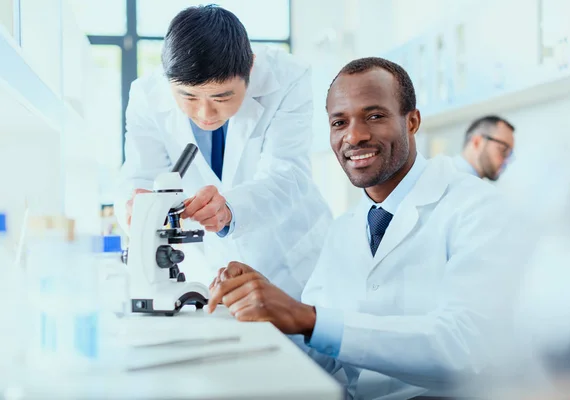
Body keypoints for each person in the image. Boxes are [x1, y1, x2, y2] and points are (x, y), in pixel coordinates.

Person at [207, 58, 533, 399]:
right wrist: (257, 309)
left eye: (374, 116)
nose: (355, 136)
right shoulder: (343, 229)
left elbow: (467, 347)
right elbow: (320, 354)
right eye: (339, 122)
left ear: (412, 121)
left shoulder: (478, 207)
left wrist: (306, 318)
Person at [114, 5, 331, 298]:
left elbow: (288, 173)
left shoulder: (287, 77)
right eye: (188, 97)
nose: (205, 113)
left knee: (303, 339)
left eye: (221, 97)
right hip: (210, 267)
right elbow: (139, 175)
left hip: (291, 260)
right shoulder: (146, 95)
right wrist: (136, 208)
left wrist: (230, 209)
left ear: (250, 67)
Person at [453, 115, 515, 180]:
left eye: (510, 154)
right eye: (503, 150)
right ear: (477, 142)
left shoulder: (474, 184)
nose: (507, 160)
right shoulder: (447, 179)